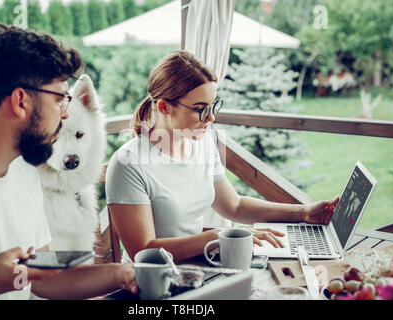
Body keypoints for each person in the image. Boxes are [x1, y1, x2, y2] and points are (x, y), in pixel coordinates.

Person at [0, 23, 136, 300]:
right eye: (60, 99)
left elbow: (42, 282)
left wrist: (126, 274)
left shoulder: (25, 173)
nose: (66, 114)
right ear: (21, 102)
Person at [105, 50, 340, 263]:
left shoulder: (203, 142)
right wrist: (218, 237)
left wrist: (304, 212)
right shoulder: (128, 163)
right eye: (200, 109)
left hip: (199, 266)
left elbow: (234, 206)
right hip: (150, 283)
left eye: (212, 106)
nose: (211, 119)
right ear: (165, 107)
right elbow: (143, 251)